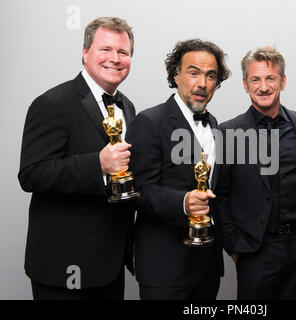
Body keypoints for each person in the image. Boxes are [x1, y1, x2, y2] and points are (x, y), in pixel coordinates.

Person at [18, 17, 136, 300]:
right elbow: (32, 174)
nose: (115, 59)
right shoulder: (52, 103)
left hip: (110, 263)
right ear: (85, 53)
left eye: (123, 52)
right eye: (105, 49)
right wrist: (98, 164)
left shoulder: (127, 106)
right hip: (63, 266)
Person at [215, 46, 296, 299]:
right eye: (255, 79)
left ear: (283, 81)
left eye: (270, 78)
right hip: (256, 250)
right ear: (245, 84)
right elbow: (220, 194)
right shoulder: (228, 132)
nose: (263, 87)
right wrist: (234, 246)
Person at [125, 39, 230, 300]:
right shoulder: (149, 121)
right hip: (165, 269)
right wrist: (183, 202)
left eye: (210, 76)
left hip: (206, 267)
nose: (202, 83)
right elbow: (138, 191)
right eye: (193, 73)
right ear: (176, 75)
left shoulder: (214, 124)